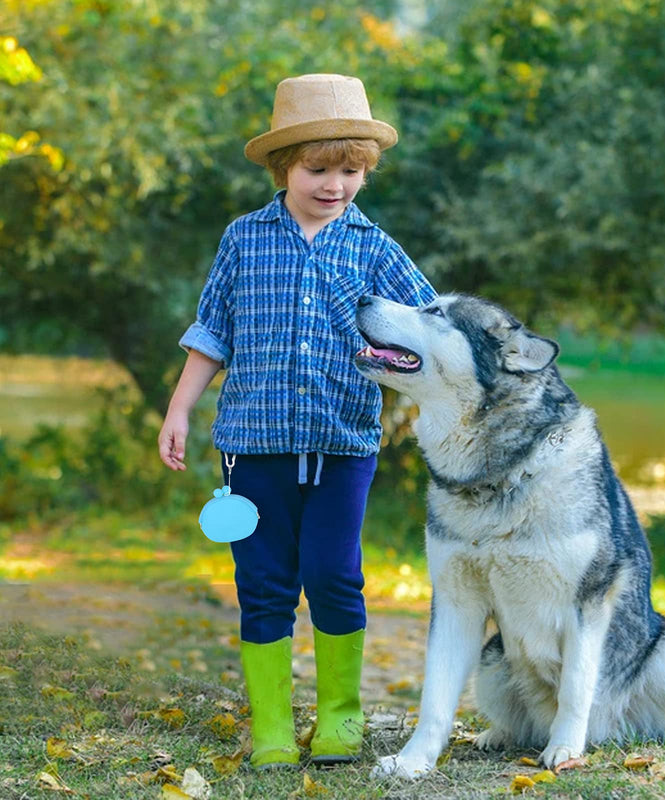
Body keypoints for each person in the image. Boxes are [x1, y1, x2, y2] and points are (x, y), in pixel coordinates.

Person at [157, 74, 436, 770]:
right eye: (319, 169)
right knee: (264, 581)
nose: (334, 185)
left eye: (350, 171)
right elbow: (212, 332)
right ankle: (274, 726)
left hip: (344, 446)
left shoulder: (374, 247)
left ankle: (340, 716)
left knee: (334, 573)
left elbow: (430, 328)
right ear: (285, 167)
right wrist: (179, 408)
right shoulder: (245, 239)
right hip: (252, 452)